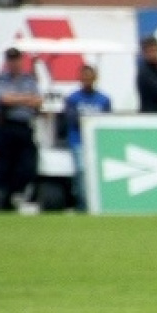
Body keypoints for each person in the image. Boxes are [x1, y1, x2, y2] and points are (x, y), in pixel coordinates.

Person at [0, 47, 43, 212]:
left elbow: (37, 101)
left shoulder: (29, 80)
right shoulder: (0, 79)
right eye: (10, 60)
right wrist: (26, 99)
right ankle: (4, 199)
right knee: (5, 165)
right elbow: (4, 98)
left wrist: (17, 99)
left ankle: (15, 192)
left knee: (28, 165)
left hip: (24, 126)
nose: (13, 63)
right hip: (5, 126)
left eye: (16, 59)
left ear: (21, 61)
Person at [60, 64, 111, 210]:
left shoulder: (104, 99)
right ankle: (83, 204)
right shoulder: (73, 99)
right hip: (78, 140)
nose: (87, 80)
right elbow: (71, 120)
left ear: (95, 78)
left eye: (90, 77)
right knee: (81, 171)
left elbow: (107, 121)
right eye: (84, 77)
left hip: (97, 142)